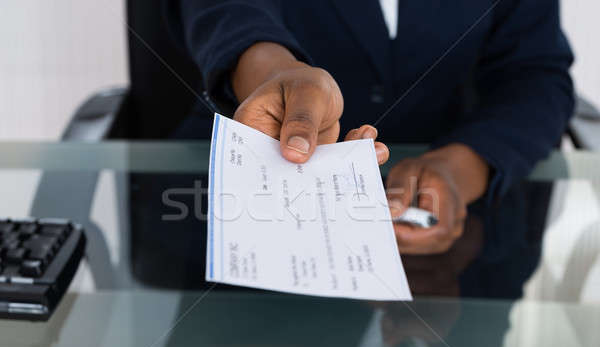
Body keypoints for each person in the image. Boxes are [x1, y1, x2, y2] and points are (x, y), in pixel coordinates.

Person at [166, 0, 574, 254]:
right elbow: (228, 10)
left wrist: (460, 168)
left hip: (458, 248)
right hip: (243, 227)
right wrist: (277, 76)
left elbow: (535, 74)